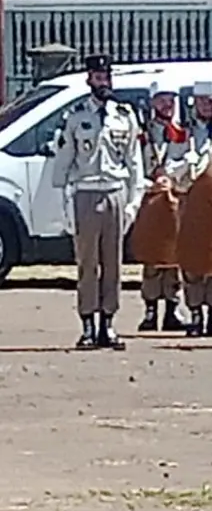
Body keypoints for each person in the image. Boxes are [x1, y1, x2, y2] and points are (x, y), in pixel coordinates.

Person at [51, 52, 145, 350]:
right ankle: (88, 324)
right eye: (98, 77)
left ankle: (109, 323)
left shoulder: (125, 116)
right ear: (89, 79)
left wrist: (133, 201)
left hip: (115, 191)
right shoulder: (76, 117)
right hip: (86, 192)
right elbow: (63, 163)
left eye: (106, 77)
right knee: (87, 263)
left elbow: (134, 163)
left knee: (113, 263)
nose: (103, 82)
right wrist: (64, 203)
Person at [174, 80, 212, 338]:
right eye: (202, 101)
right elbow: (171, 163)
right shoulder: (183, 132)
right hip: (191, 201)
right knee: (193, 262)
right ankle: (195, 314)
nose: (207, 106)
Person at [131, 78, 188, 332]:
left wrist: (173, 178)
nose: (167, 105)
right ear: (153, 103)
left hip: (174, 196)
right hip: (151, 197)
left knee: (174, 257)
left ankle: (172, 309)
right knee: (152, 256)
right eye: (162, 100)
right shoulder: (142, 133)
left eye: (171, 101)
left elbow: (189, 162)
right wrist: (147, 183)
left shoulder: (183, 132)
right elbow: (134, 164)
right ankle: (150, 310)